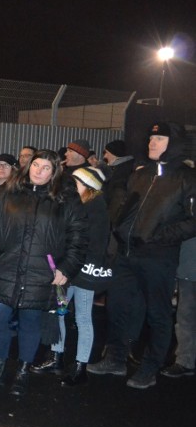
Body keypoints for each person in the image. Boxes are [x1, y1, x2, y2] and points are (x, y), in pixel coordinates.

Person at [88, 122, 196, 388]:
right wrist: (120, 230)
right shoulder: (140, 174)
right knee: (117, 307)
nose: (152, 143)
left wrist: (157, 237)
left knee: (157, 314)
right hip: (127, 254)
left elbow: (192, 221)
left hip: (159, 257)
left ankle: (150, 367)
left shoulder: (186, 178)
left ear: (174, 143)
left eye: (159, 139)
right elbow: (125, 208)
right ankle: (115, 358)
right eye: (151, 138)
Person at [0, 149, 87, 396]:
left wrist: (66, 269)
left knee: (30, 322)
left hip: (40, 272)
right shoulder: (8, 192)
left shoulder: (65, 198)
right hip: (6, 268)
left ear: (54, 172)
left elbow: (78, 237)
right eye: (36, 165)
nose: (39, 171)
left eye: (46, 167)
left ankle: (23, 370)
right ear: (28, 166)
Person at [33, 167, 110, 386]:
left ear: (88, 186)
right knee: (60, 311)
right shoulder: (77, 205)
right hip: (68, 269)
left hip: (83, 272)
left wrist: (68, 268)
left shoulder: (96, 210)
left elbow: (90, 245)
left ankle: (80, 366)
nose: (70, 185)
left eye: (75, 181)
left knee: (83, 317)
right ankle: (56, 357)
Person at [161, 235, 196, 377]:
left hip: (188, 265)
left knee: (185, 318)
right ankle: (184, 361)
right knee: (185, 318)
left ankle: (184, 360)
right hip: (188, 266)